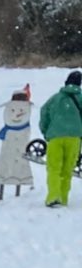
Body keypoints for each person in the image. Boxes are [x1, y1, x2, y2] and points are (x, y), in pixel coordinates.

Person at [38, 70, 82, 207]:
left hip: (55, 136)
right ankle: (63, 198)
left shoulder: (55, 98)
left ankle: (53, 197)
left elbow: (44, 113)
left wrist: (46, 132)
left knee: (54, 168)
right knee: (67, 170)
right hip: (75, 138)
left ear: (66, 82)